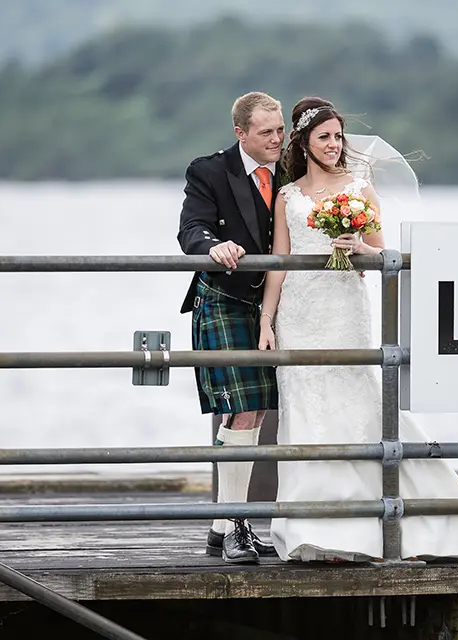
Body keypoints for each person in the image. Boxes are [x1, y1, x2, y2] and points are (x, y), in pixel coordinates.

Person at [257, 97, 458, 562]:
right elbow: (278, 262)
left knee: (354, 401)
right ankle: (312, 529)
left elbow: (384, 256)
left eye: (338, 137)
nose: (334, 145)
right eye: (325, 137)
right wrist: (265, 319)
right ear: (304, 143)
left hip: (343, 309)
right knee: (305, 414)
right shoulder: (288, 195)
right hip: (298, 313)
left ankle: (373, 521)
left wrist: (356, 244)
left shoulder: (360, 188)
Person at [177, 91, 284, 564]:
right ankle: (236, 524)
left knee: (256, 412)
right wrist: (213, 245)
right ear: (241, 133)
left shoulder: (291, 168)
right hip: (224, 296)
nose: (277, 140)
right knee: (242, 411)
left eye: (280, 130)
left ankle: (222, 528)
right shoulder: (209, 171)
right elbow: (190, 230)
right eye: (266, 132)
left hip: (272, 301)